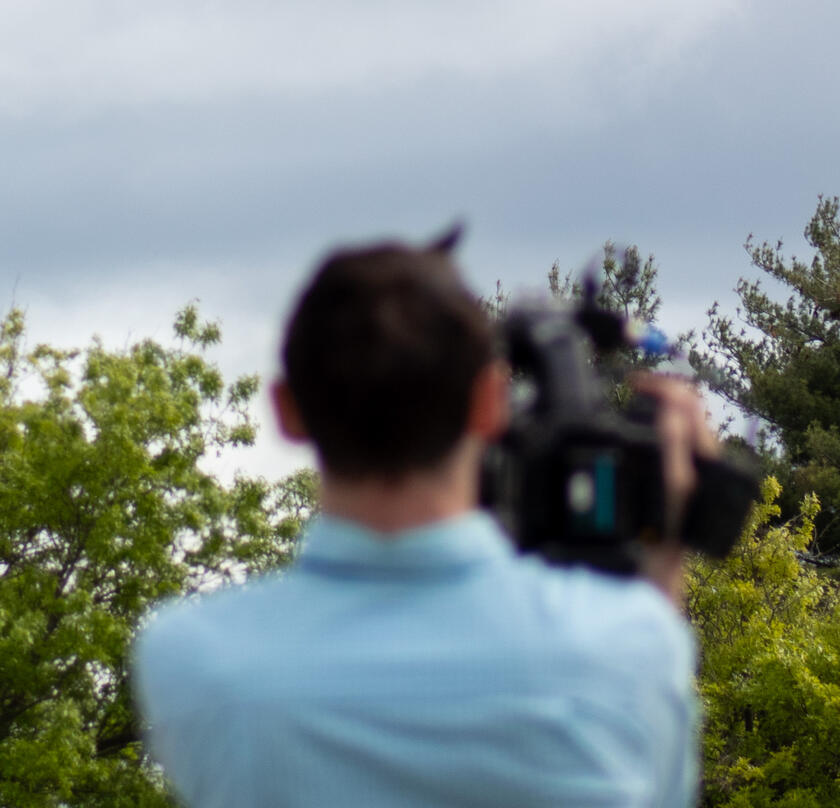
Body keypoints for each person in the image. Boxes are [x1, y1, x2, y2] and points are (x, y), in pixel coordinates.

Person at [134, 238, 709, 808]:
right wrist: (666, 552)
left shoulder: (192, 657)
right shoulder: (627, 644)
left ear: (287, 412)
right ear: (490, 403)